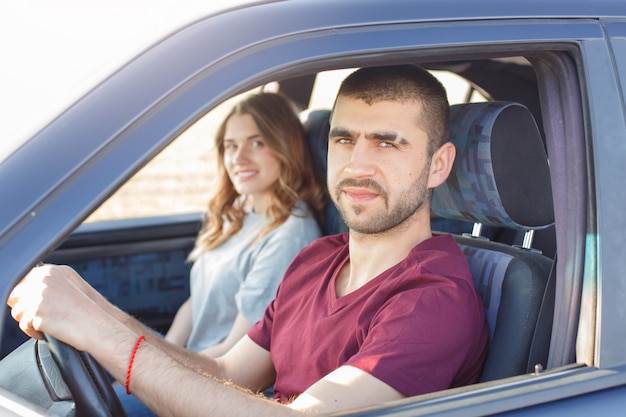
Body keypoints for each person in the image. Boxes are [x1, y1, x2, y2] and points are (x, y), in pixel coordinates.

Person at [9, 64, 489, 417]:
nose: (357, 164)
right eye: (344, 139)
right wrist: (94, 310)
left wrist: (103, 336)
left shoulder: (433, 298)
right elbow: (224, 375)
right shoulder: (316, 258)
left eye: (387, 142)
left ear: (439, 164)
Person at [117, 91, 328, 414]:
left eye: (256, 143)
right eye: (231, 145)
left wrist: (151, 368)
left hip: (218, 386)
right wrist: (161, 352)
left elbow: (235, 358)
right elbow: (195, 301)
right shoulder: (240, 211)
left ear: (286, 148)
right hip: (193, 364)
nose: (238, 158)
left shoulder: (289, 235)